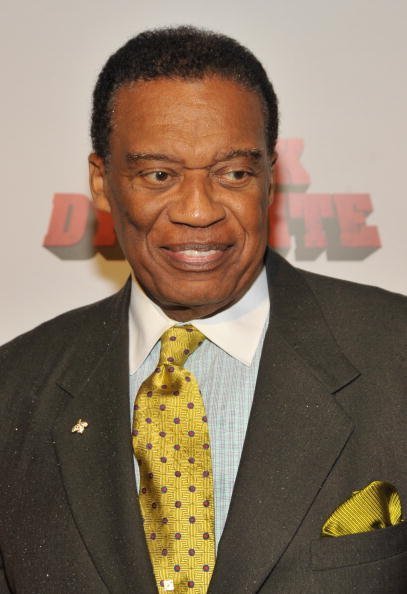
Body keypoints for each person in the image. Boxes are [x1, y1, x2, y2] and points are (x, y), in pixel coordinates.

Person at [0, 26, 406, 594]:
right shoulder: (15, 390)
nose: (197, 210)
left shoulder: (396, 358)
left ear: (269, 178)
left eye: (233, 173)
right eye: (159, 175)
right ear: (101, 183)